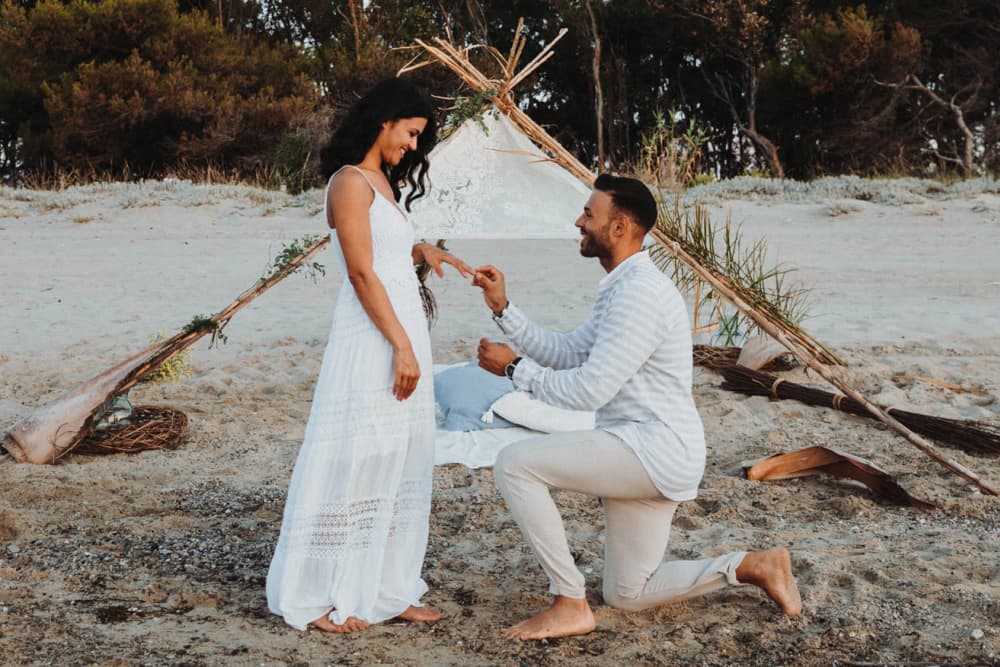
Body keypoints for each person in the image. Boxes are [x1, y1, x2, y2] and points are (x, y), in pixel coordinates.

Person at [472, 174, 801, 640]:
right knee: (629, 592)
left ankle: (568, 601)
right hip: (647, 450)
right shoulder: (623, 287)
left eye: (589, 214)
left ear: (621, 225)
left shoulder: (639, 293)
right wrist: (504, 309)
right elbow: (570, 352)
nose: (579, 222)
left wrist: (514, 371)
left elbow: (588, 390)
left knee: (514, 464)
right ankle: (753, 566)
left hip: (650, 448)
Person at [266, 77, 473, 633]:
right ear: (384, 120)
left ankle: (386, 587)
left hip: (401, 332)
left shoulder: (382, 182)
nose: (412, 146)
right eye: (410, 132)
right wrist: (401, 347)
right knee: (359, 454)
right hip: (373, 337)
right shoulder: (349, 183)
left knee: (400, 455)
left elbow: (383, 254)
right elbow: (360, 271)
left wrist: (420, 249)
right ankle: (324, 592)